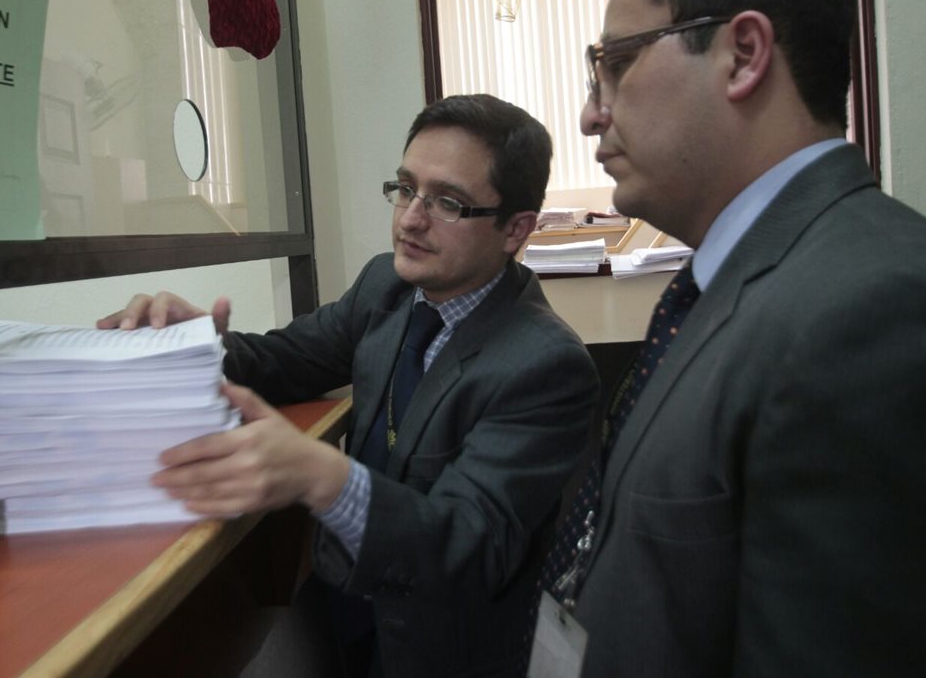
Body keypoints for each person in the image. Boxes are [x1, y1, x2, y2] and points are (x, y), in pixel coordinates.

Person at [536, 0, 926, 677]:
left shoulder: (885, 319)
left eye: (618, 64)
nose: (592, 115)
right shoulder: (734, 283)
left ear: (743, 54)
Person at [99, 93, 597, 678]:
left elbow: (466, 547)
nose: (410, 219)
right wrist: (191, 342)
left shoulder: (546, 366)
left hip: (437, 646)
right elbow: (284, 360)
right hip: (340, 603)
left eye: (447, 203)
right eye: (406, 188)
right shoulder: (387, 286)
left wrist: (322, 476)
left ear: (515, 229)